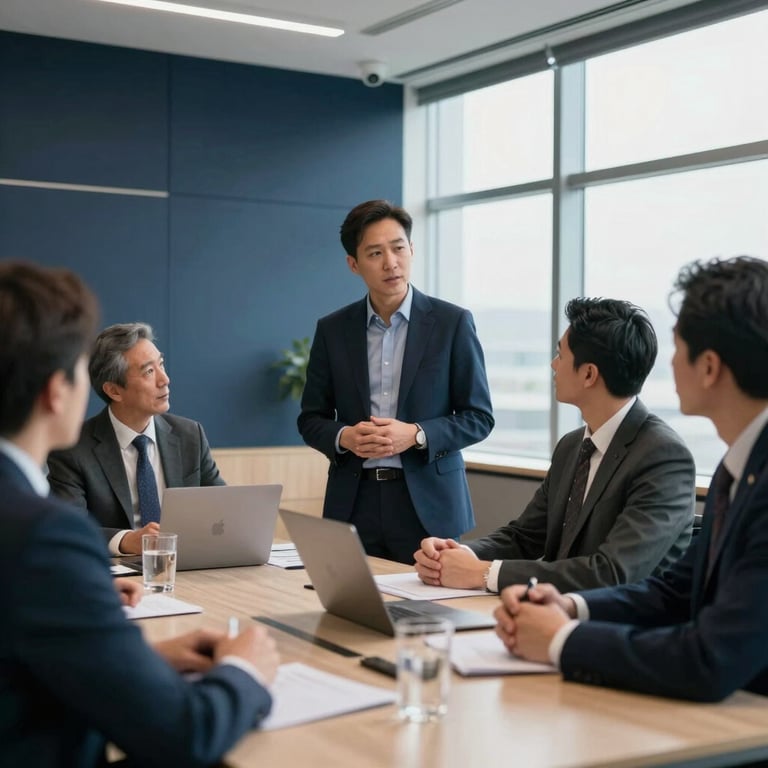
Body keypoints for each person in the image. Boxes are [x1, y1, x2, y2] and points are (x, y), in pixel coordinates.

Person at [0, 261, 279, 766]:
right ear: (55, 391)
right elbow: (183, 735)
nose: (164, 379)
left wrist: (134, 653)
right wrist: (247, 669)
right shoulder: (45, 535)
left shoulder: (187, 433)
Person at [495, 256, 768, 703]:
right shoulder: (737, 465)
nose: (669, 363)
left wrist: (561, 641)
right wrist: (571, 607)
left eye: (679, 348)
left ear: (710, 366)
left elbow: (710, 659)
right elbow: (676, 591)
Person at [415, 297, 695, 593]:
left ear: (588, 374)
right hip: (552, 615)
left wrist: (484, 573)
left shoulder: (663, 456)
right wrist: (457, 556)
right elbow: (524, 536)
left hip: (620, 628)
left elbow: (612, 572)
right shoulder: (572, 446)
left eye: (560, 355)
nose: (553, 364)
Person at [298, 199, 494, 563]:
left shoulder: (452, 324)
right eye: (375, 253)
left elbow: (479, 417)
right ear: (353, 265)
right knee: (351, 613)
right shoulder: (333, 330)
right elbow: (311, 418)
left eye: (398, 248)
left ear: (412, 249)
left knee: (432, 615)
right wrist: (345, 438)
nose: (391, 262)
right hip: (354, 503)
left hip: (428, 504)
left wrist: (417, 434)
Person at [47, 322, 224, 554]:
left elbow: (222, 508)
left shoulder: (190, 435)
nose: (165, 379)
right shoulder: (73, 448)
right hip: (119, 575)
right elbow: (68, 527)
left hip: (187, 565)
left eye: (161, 365)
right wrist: (126, 540)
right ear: (114, 391)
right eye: (149, 371)